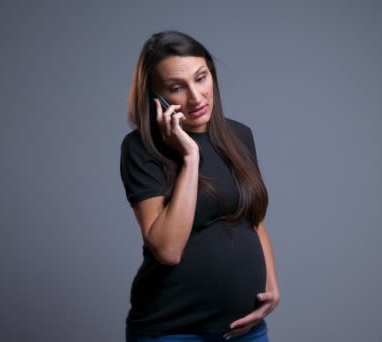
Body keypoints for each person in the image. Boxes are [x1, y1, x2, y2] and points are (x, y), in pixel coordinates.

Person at [119, 31, 280, 342]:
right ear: (157, 97)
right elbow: (167, 249)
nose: (196, 97)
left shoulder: (239, 136)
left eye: (201, 78)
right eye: (177, 88)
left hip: (244, 330)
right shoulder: (142, 149)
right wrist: (191, 157)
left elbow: (253, 219)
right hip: (172, 331)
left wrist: (271, 284)